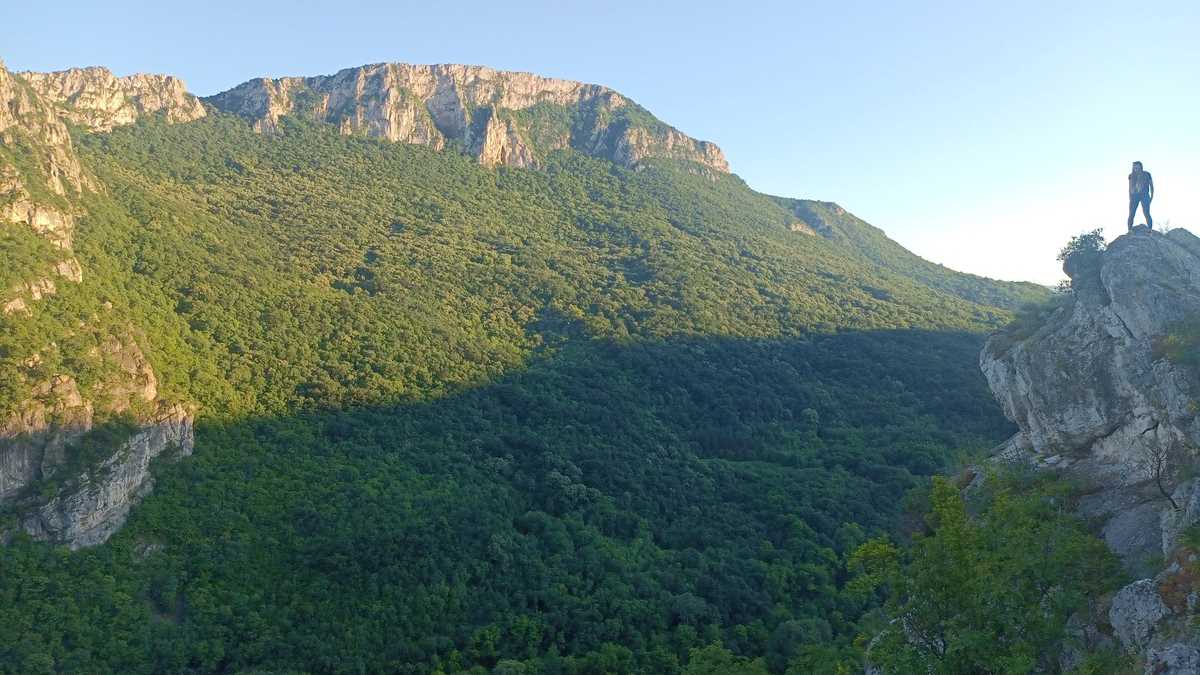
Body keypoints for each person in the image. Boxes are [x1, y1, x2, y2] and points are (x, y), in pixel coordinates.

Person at [1128, 161, 1154, 230]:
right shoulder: (1131, 175)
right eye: (1134, 166)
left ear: (1140, 166)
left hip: (1144, 195)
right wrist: (1130, 197)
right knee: (1131, 213)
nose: (1135, 167)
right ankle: (1129, 230)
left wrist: (1151, 197)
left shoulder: (1147, 174)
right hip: (1134, 196)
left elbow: (1151, 186)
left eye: (1137, 166)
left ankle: (1150, 229)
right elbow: (1130, 187)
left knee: (1146, 213)